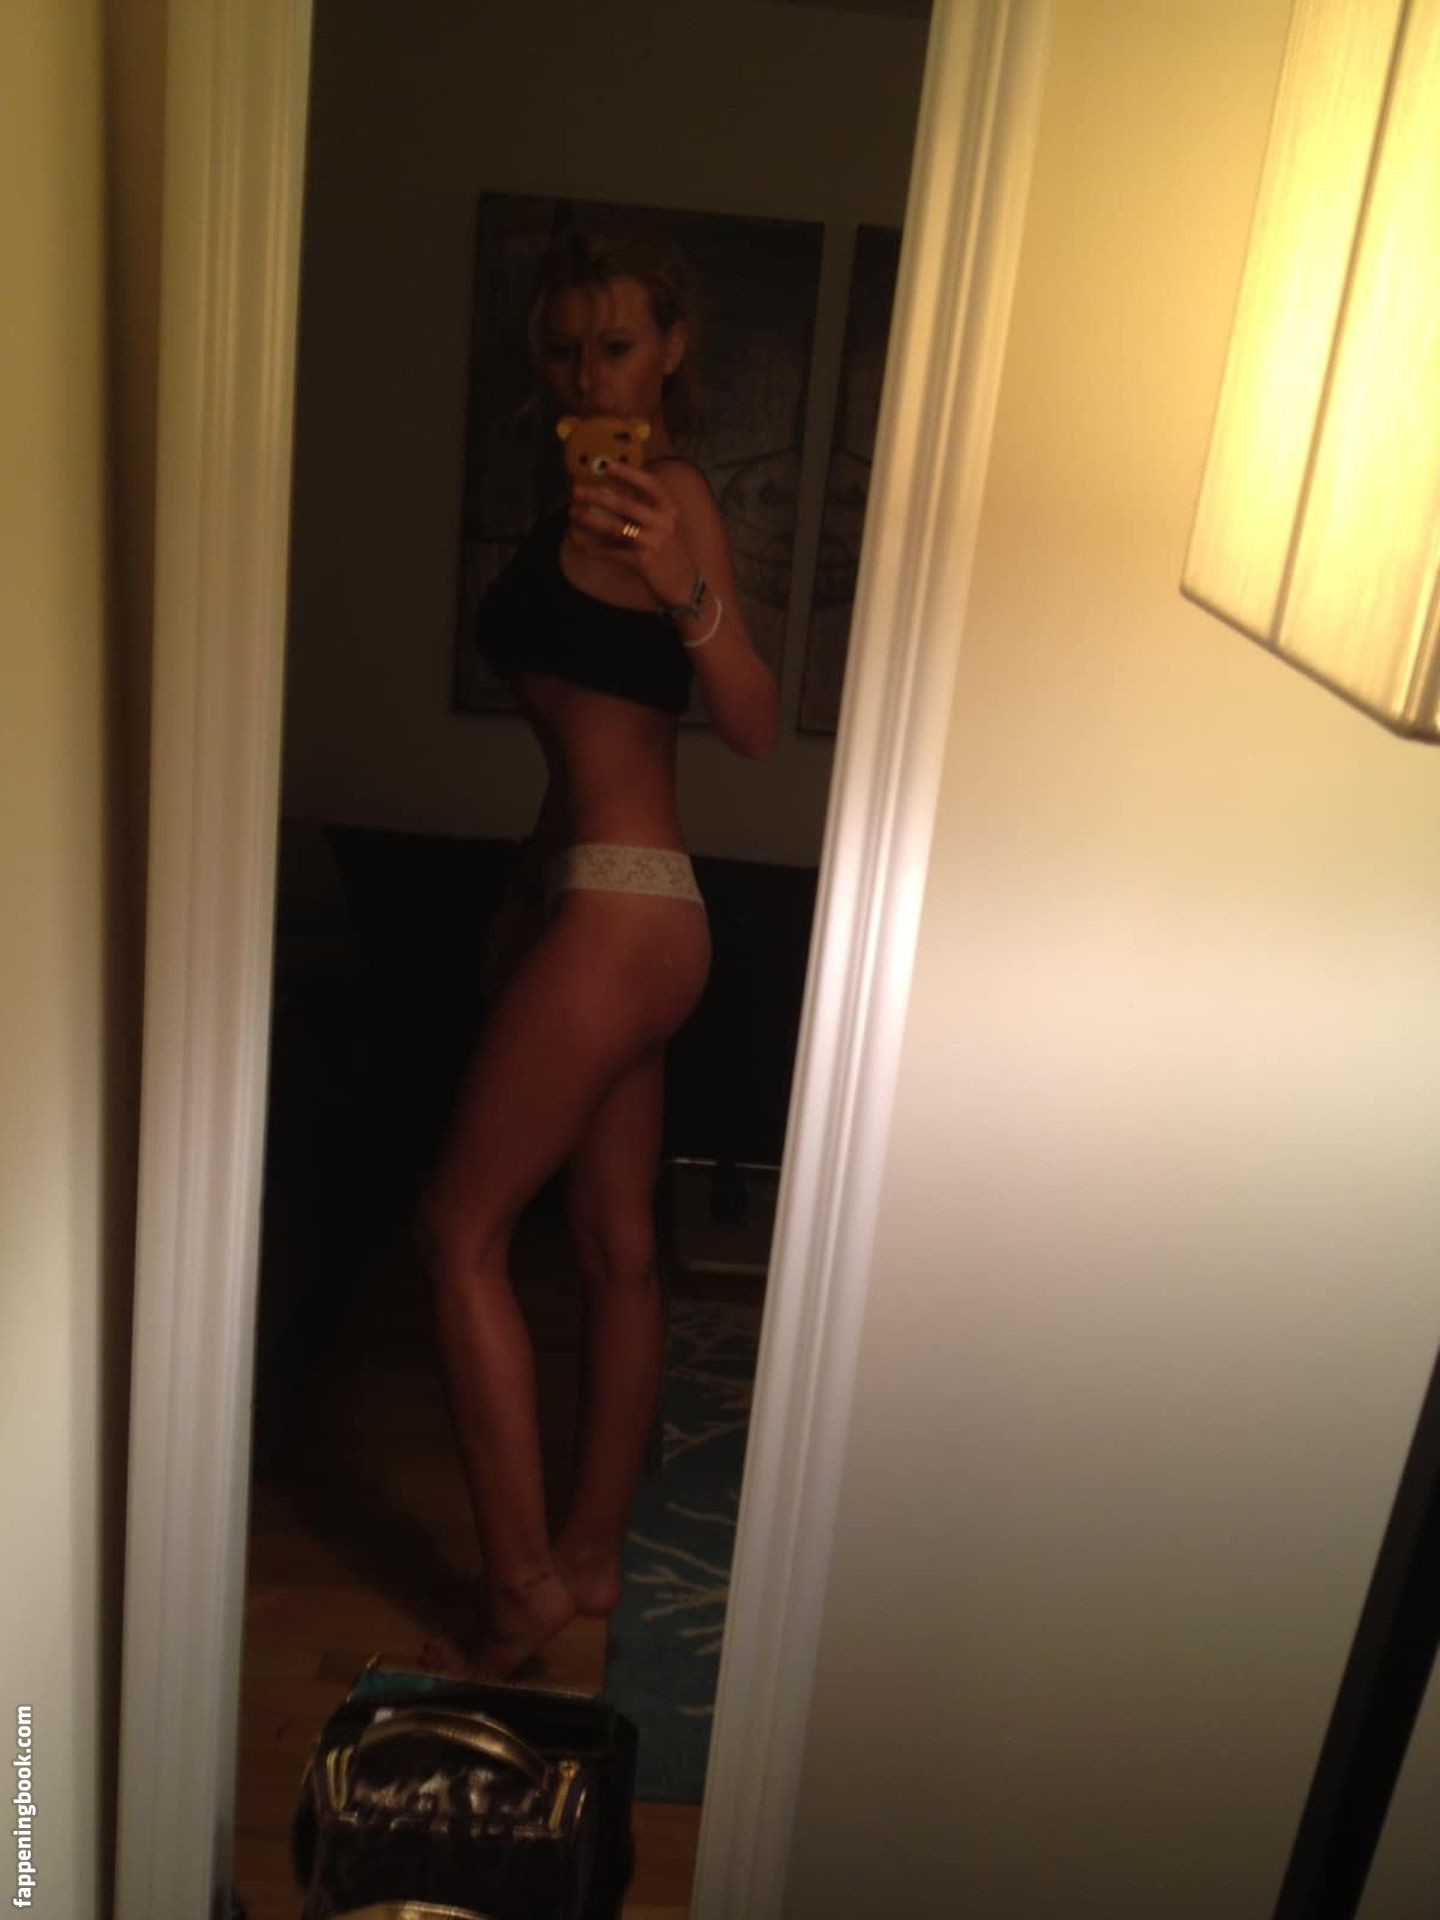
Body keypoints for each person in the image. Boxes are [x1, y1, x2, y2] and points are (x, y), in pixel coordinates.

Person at [413, 232, 779, 1679]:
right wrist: (529, 888)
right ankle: (589, 1556)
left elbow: (749, 723)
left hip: (626, 911)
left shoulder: (672, 498)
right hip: (599, 901)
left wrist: (685, 585)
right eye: (563, 351)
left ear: (670, 350)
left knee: (456, 1233)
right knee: (617, 1247)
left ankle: (516, 1590)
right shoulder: (562, 508)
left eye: (615, 347)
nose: (587, 376)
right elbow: (577, 751)